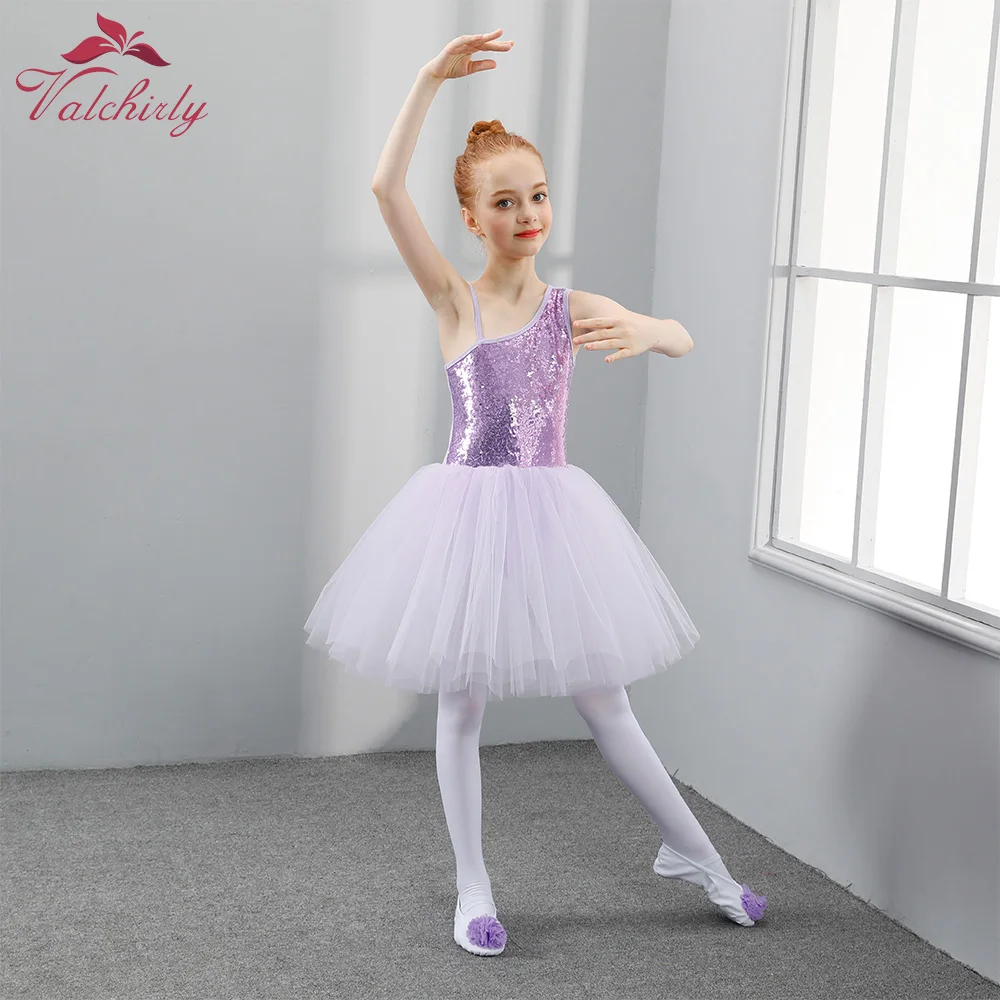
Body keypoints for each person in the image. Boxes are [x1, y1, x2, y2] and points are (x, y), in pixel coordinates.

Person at [303, 28, 767, 958]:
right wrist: (429, 79)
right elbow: (385, 190)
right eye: (505, 202)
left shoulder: (567, 309)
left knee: (607, 703)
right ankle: (472, 885)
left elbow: (680, 334)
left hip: (555, 519)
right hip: (465, 517)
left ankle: (699, 857)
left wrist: (649, 330)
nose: (528, 213)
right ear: (472, 219)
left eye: (539, 195)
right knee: (460, 704)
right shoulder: (454, 302)